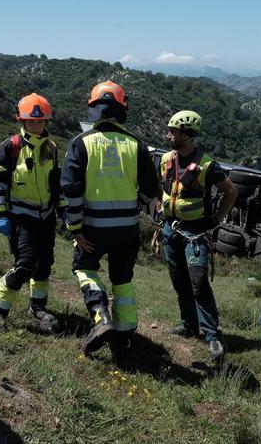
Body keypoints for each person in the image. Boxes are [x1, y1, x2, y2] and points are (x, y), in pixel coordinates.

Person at [60, 81, 161, 357]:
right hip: (127, 230)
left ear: (94, 109)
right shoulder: (137, 146)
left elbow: (71, 191)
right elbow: (152, 191)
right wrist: (133, 205)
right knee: (123, 280)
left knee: (84, 269)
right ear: (122, 110)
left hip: (92, 228)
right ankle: (125, 335)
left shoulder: (80, 144)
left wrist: (75, 228)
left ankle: (100, 315)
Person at [158, 110, 237, 361]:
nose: (168, 134)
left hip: (195, 232)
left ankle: (213, 336)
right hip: (171, 228)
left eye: (173, 131)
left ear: (186, 134)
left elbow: (230, 192)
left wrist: (216, 220)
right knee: (178, 277)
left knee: (198, 281)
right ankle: (188, 324)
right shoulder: (167, 159)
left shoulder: (207, 165)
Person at [0, 93, 64, 332]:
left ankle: (37, 307)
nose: (36, 125)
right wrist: (0, 213)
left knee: (44, 265)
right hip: (21, 218)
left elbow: (56, 184)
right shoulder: (11, 147)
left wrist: (63, 212)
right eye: (31, 121)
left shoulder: (51, 149)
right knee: (25, 264)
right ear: (22, 121)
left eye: (40, 122)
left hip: (46, 218)